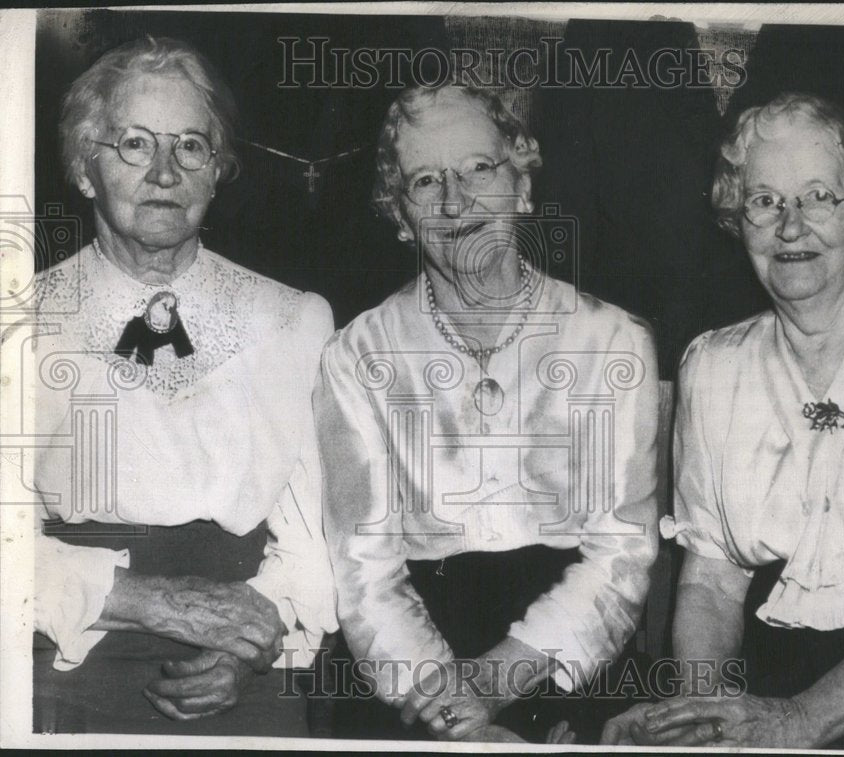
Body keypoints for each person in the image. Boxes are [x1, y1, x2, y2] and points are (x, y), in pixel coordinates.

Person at [313, 84, 659, 743]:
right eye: (424, 180)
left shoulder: (612, 340)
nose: (455, 200)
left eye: (479, 168)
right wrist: (454, 713)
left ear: (522, 186)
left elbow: (621, 553)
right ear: (398, 211)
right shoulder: (356, 353)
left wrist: (495, 684)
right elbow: (365, 573)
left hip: (570, 655)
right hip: (412, 668)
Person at [15, 36, 337, 735]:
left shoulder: (292, 320)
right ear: (82, 165)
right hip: (66, 671)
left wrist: (263, 632)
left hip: (248, 670)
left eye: (191, 145)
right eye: (134, 143)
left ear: (218, 169)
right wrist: (152, 600)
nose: (164, 171)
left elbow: (320, 539)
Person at [599, 92, 844, 748]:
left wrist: (801, 719)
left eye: (819, 197)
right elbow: (713, 581)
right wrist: (702, 714)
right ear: (736, 219)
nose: (790, 228)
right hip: (759, 694)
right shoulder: (714, 366)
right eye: (764, 201)